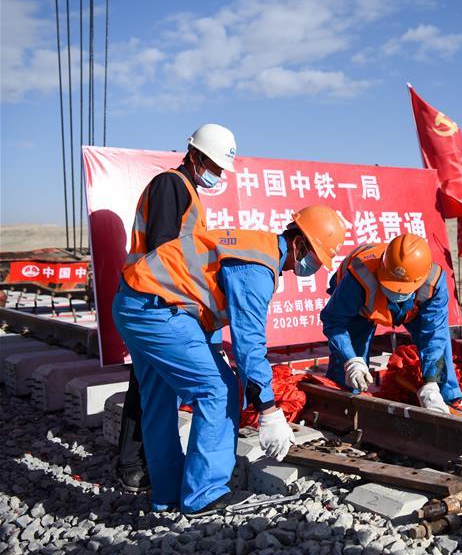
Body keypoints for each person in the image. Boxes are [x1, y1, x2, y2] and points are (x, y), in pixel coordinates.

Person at [112, 205, 346, 516]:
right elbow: (249, 343)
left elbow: (199, 296)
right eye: (315, 257)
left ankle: (166, 495)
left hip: (134, 304)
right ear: (299, 243)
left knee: (158, 399)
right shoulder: (258, 268)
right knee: (218, 389)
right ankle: (203, 495)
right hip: (158, 312)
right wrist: (268, 409)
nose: (312, 266)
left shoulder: (255, 248)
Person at [116, 123, 236, 493]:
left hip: (157, 300)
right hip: (154, 299)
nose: (216, 175)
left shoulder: (189, 191)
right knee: (155, 387)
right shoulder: (172, 184)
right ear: (196, 156)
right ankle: (135, 465)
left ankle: (147, 471)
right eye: (214, 166)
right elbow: (166, 253)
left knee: (150, 385)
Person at [321, 234, 462, 413]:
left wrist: (431, 381)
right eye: (392, 286)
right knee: (349, 374)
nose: (396, 292)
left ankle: (445, 398)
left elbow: (435, 333)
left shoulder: (433, 283)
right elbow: (334, 321)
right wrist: (351, 360)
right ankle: (343, 404)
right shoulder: (359, 277)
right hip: (360, 309)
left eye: (402, 289)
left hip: (412, 309)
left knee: (439, 346)